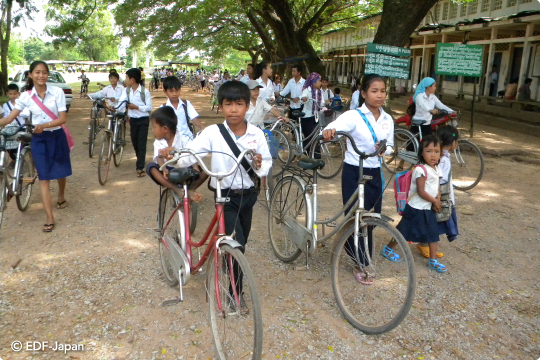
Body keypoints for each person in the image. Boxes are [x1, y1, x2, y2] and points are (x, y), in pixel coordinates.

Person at [172, 81, 271, 299]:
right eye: (228, 104)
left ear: (247, 107)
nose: (233, 109)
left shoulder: (256, 134)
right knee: (237, 245)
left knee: (242, 239)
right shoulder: (212, 133)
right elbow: (191, 152)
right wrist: (175, 156)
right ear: (221, 106)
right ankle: (236, 293)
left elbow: (266, 165)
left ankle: (229, 259)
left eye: (239, 104)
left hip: (248, 194)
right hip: (224, 195)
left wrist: (258, 163)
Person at [322, 74, 394, 284]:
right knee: (355, 216)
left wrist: (384, 149)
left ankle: (359, 252)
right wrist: (329, 132)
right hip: (354, 170)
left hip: (375, 171)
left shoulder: (387, 119)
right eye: (374, 91)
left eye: (382, 91)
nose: (379, 95)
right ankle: (360, 261)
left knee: (371, 217)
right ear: (363, 93)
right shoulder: (353, 115)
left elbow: (390, 145)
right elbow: (333, 129)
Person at [0, 61, 72, 232]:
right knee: (44, 177)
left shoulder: (57, 92)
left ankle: (61, 195)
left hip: (56, 135)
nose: (41, 76)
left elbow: (62, 119)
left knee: (60, 171)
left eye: (44, 72)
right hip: (38, 139)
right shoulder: (25, 96)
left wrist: (45, 125)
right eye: (37, 72)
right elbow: (9, 119)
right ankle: (49, 216)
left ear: (47, 75)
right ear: (31, 75)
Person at [389, 134, 446, 273]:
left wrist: (437, 198)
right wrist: (435, 201)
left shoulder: (436, 168)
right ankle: (388, 249)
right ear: (421, 152)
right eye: (429, 151)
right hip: (416, 208)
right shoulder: (420, 169)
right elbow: (421, 191)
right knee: (403, 231)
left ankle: (433, 260)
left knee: (433, 234)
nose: (433, 155)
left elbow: (434, 186)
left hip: (428, 208)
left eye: (436, 151)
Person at [146, 107, 206, 202]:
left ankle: (191, 189)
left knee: (206, 170)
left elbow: (191, 153)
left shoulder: (183, 138)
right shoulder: (158, 142)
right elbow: (159, 158)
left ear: (165, 129)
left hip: (185, 168)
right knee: (151, 167)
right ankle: (176, 189)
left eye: (154, 127)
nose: (152, 130)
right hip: (168, 170)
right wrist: (164, 168)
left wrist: (195, 166)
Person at [117, 68, 153, 177]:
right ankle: (140, 160)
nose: (125, 80)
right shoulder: (126, 91)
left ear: (132, 80)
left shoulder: (144, 92)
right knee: (134, 142)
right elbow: (121, 103)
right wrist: (115, 108)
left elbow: (149, 107)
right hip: (132, 120)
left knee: (141, 143)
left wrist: (137, 107)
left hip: (143, 120)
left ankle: (140, 167)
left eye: (126, 78)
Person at [161, 76, 205, 145]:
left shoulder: (186, 104)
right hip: (172, 142)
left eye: (177, 90)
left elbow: (194, 118)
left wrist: (203, 128)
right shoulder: (163, 108)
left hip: (188, 139)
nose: (174, 94)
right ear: (165, 91)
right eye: (171, 91)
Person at [2, 84, 30, 161]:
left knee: (20, 145)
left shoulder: (21, 104)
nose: (13, 96)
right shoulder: (5, 105)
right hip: (10, 128)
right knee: (9, 145)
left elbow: (26, 114)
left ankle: (19, 159)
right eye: (10, 94)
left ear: (18, 93)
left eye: (15, 94)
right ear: (7, 94)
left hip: (21, 127)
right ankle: (14, 159)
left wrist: (16, 113)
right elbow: (5, 117)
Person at [300, 72, 325, 154]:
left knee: (316, 136)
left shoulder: (320, 92)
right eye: (319, 81)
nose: (320, 83)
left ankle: (316, 155)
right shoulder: (307, 90)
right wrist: (304, 99)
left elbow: (322, 103)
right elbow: (303, 97)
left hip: (316, 116)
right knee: (309, 137)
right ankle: (308, 154)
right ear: (314, 81)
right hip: (307, 117)